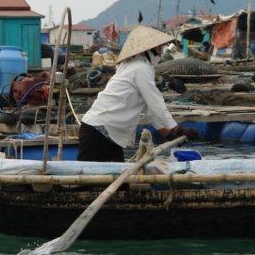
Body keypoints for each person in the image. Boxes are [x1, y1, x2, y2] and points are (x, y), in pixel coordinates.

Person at [78, 26, 198, 162]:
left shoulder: (133, 66)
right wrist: (178, 130)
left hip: (108, 132)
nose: (160, 53)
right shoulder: (141, 68)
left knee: (118, 179)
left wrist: (169, 135)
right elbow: (156, 103)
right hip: (99, 129)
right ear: (148, 50)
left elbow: (149, 108)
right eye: (159, 49)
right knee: (87, 179)